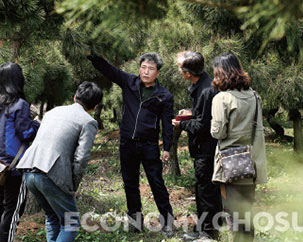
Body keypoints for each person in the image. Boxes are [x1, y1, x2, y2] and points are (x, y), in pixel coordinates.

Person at [87, 52, 174, 235]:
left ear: (158, 72)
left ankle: (168, 222)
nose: (146, 72)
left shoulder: (163, 96)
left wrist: (167, 147)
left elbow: (167, 123)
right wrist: (93, 55)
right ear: (139, 69)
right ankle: (135, 223)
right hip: (127, 143)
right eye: (143, 67)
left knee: (156, 183)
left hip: (149, 145)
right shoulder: (130, 82)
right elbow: (110, 71)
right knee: (130, 183)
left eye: (151, 69)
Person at [17, 81, 103, 242]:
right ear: (94, 107)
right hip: (51, 174)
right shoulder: (88, 122)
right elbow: (81, 158)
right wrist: (72, 187)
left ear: (75, 96)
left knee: (53, 217)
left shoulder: (53, 112)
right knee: (71, 224)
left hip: (29, 170)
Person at [210, 53, 268, 242]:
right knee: (246, 213)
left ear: (220, 72)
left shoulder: (222, 98)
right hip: (251, 162)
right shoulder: (254, 96)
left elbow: (217, 132)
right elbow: (258, 131)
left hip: (230, 165)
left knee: (233, 215)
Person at [0, 62, 40, 242]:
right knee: (12, 209)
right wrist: (37, 124)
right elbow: (26, 133)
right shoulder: (19, 105)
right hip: (15, 167)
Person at [172, 51, 223, 241]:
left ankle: (208, 233)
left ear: (187, 73)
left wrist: (181, 123)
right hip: (205, 148)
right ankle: (206, 229)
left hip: (206, 149)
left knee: (206, 191)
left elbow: (203, 126)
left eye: (179, 67)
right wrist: (191, 112)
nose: (178, 70)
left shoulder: (205, 90)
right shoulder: (202, 84)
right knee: (205, 189)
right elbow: (202, 115)